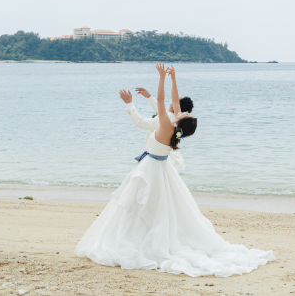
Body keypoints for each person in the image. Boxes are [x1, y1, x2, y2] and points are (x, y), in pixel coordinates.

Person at [75, 63, 275, 276]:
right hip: (161, 167)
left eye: (182, 113)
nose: (179, 111)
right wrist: (173, 79)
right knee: (155, 207)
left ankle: (133, 240)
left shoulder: (166, 125)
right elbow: (171, 102)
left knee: (135, 204)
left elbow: (162, 102)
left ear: (180, 120)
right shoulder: (175, 130)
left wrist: (153, 85)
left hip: (150, 167)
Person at [122, 86, 192, 169]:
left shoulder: (167, 118)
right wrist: (149, 97)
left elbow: (140, 123)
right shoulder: (176, 119)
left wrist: (129, 103)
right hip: (166, 158)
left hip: (155, 160)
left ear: (174, 105)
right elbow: (161, 110)